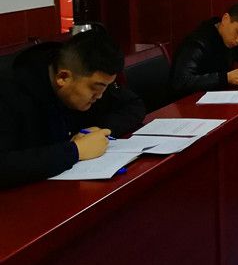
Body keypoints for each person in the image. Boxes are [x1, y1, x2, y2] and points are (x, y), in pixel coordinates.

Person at [0, 31, 146, 188]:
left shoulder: (91, 75)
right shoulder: (9, 92)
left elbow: (134, 105)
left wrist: (100, 131)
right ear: (63, 77)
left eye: (105, 87)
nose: (99, 96)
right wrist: (76, 151)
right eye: (96, 88)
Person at [170, 1, 238, 99]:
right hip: (188, 102)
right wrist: (225, 78)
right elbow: (181, 82)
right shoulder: (197, 42)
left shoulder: (231, 39)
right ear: (226, 19)